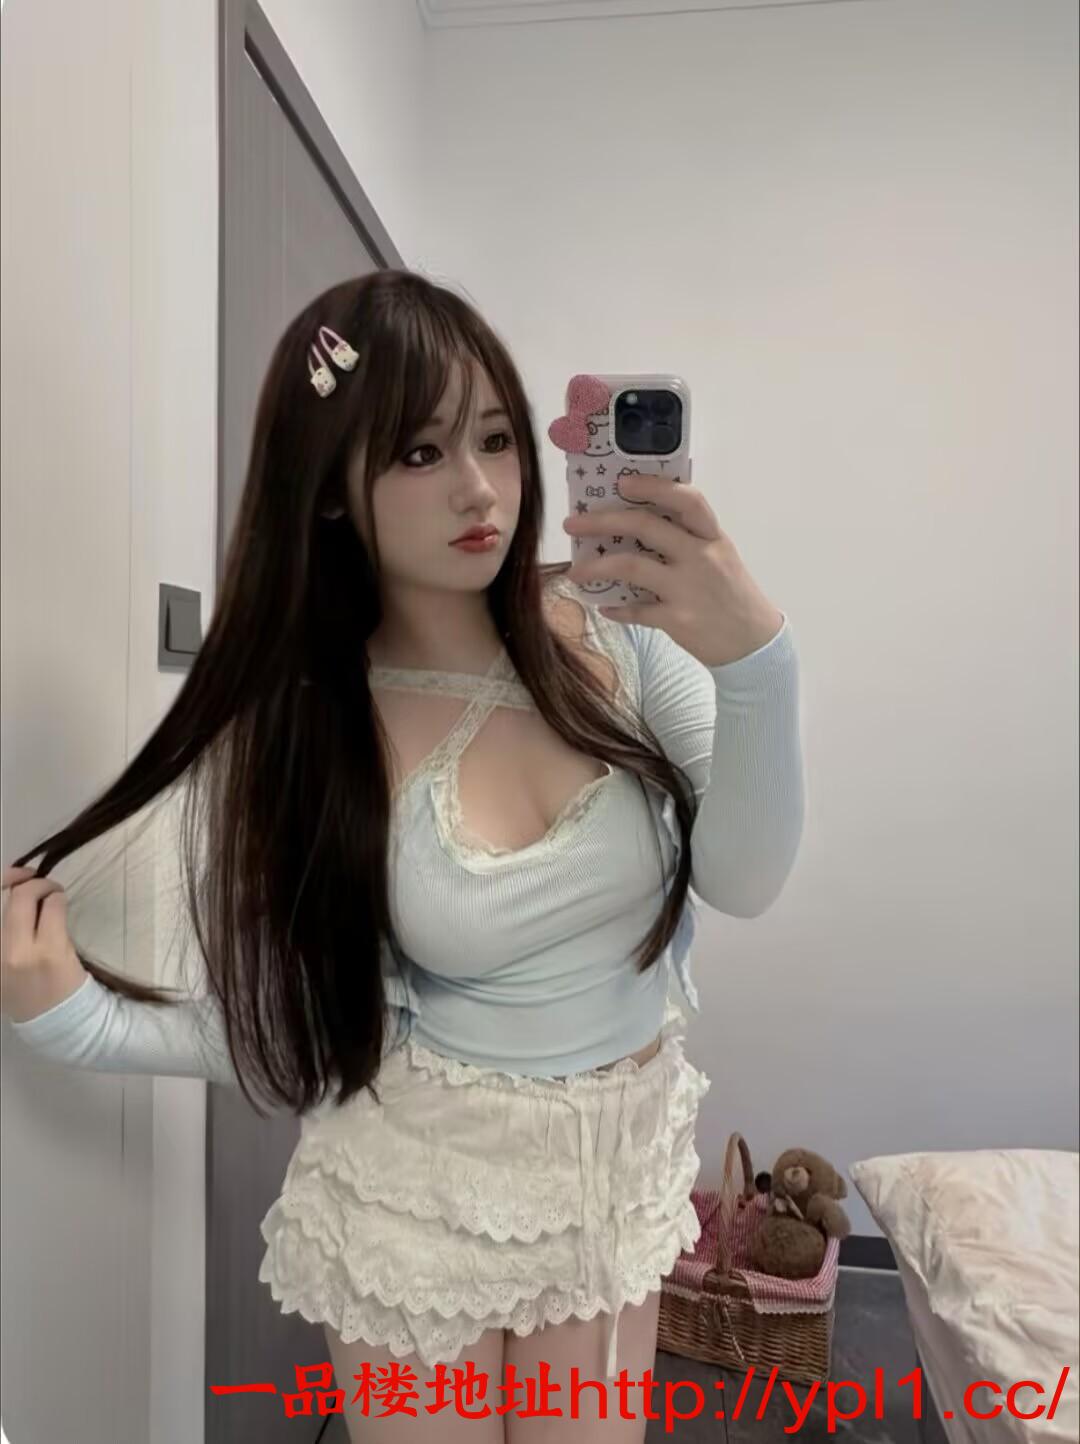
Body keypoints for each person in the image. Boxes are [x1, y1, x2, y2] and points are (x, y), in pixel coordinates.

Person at [0, 269, 804, 1443]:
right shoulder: (316, 723)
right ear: (332, 489)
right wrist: (79, 1024)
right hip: (419, 1196)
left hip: (613, 1176)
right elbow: (300, 1021)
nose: (479, 488)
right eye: (419, 452)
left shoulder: (618, 635)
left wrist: (755, 664)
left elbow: (744, 879)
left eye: (495, 437)